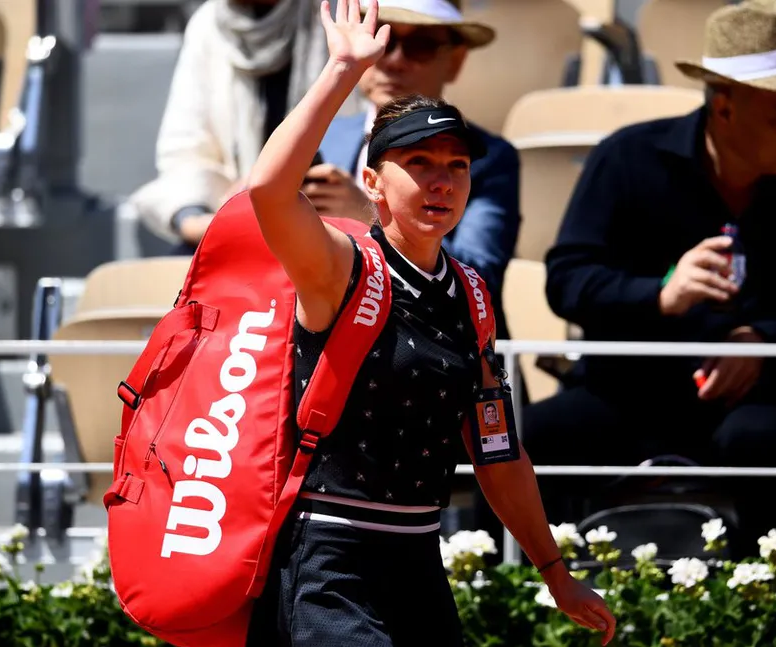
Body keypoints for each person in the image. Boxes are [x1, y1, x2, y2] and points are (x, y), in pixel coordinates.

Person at [242, 2, 616, 645]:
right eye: (418, 164)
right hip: (327, 559)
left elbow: (498, 451)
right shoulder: (339, 265)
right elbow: (269, 192)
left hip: (418, 559)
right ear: (373, 183)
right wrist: (341, 69)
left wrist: (555, 571)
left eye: (457, 166)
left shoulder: (470, 293)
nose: (441, 182)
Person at [522, 0, 776, 548]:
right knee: (533, 438)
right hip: (629, 392)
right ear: (724, 108)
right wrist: (661, 294)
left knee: (766, 442)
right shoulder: (627, 159)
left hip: (762, 399)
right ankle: (529, 602)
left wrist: (762, 343)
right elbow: (567, 280)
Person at [313, 0, 520, 341]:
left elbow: (480, 276)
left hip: (450, 357)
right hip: (333, 351)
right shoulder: (322, 135)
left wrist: (368, 215)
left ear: (455, 61)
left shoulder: (491, 157)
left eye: (420, 46)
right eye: (383, 39)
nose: (394, 60)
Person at [127, 0, 360, 252]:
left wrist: (356, 206)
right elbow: (185, 153)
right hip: (236, 224)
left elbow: (365, 131)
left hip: (328, 223)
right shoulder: (209, 25)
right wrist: (197, 220)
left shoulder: (337, 14)